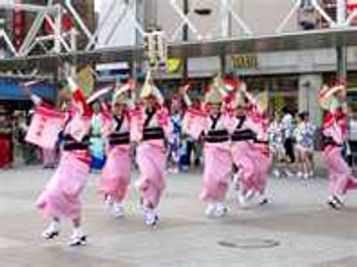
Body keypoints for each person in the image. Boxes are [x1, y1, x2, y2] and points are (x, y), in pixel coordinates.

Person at [35, 77, 96, 246]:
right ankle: (55, 224)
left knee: (69, 195)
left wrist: (71, 80)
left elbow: (79, 99)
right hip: (66, 160)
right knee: (52, 192)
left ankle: (78, 232)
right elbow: (46, 111)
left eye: (72, 100)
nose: (70, 102)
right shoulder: (68, 116)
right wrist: (30, 94)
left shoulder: (85, 114)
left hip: (79, 161)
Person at [182, 77, 232, 218]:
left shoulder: (226, 116)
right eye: (212, 105)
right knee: (210, 177)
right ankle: (211, 201)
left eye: (217, 105)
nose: (214, 107)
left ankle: (220, 202)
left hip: (224, 150)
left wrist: (220, 87)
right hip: (211, 150)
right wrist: (185, 95)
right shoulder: (204, 117)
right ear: (208, 105)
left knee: (222, 179)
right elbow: (191, 110)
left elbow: (230, 103)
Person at [131, 72, 173, 226]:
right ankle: (148, 208)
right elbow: (134, 129)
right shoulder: (137, 113)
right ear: (143, 100)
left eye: (152, 98)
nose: (149, 101)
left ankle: (151, 206)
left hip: (159, 149)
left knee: (159, 181)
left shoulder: (162, 112)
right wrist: (137, 136)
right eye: (147, 99)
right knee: (149, 175)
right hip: (144, 148)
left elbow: (168, 127)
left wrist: (169, 134)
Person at [319, 83, 357, 209]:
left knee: (335, 175)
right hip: (334, 150)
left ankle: (332, 197)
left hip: (331, 151)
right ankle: (337, 196)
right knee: (345, 172)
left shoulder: (332, 118)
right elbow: (339, 111)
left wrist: (340, 93)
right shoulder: (331, 117)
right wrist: (338, 91)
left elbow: (343, 118)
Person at [100, 81, 133, 219]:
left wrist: (123, 91)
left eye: (121, 105)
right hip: (114, 150)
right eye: (116, 105)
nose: (119, 108)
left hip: (126, 151)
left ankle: (119, 202)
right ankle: (110, 196)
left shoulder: (128, 117)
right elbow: (104, 133)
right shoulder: (108, 118)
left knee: (124, 178)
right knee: (115, 175)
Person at [294, 112, 316, 179]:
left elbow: (312, 133)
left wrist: (308, 134)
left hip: (309, 144)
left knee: (310, 158)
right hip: (301, 144)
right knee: (302, 158)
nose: (306, 117)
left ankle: (311, 171)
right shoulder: (300, 125)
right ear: (303, 117)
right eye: (305, 116)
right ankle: (304, 171)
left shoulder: (311, 125)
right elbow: (297, 134)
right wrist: (300, 139)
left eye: (307, 116)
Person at [281, 106, 296, 173]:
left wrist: (282, 137)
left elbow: (283, 128)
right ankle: (290, 160)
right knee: (289, 150)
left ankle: (287, 168)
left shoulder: (285, 118)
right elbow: (292, 127)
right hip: (290, 136)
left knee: (287, 151)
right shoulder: (291, 117)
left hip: (286, 136)